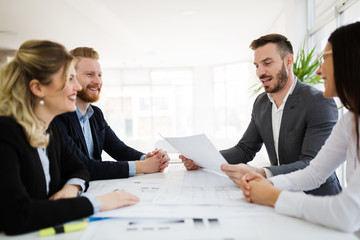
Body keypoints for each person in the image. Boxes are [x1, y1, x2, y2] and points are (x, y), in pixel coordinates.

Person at [229, 21, 360, 233]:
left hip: (331, 215)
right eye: (256, 65)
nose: (318, 70)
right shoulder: (350, 120)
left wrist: (272, 195)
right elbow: (315, 171)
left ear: (350, 60)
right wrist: (269, 184)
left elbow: (349, 214)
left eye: (324, 58)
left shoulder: (318, 102)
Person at [0, 40, 139, 235]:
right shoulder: (6, 132)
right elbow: (17, 216)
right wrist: (95, 203)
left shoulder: (48, 130)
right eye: (69, 78)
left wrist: (71, 188)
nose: (76, 86)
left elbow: (79, 168)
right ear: (38, 88)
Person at [182, 33, 341, 196]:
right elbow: (245, 149)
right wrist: (202, 160)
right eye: (257, 66)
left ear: (288, 61)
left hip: (319, 198)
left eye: (267, 63)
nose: (260, 72)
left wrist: (262, 173)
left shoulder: (319, 102)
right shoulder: (261, 103)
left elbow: (311, 165)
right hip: (281, 195)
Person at [54, 47, 170, 180]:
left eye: (100, 75)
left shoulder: (96, 114)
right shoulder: (58, 117)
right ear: (70, 78)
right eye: (89, 74)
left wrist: (147, 158)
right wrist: (143, 166)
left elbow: (119, 150)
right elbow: (83, 166)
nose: (97, 81)